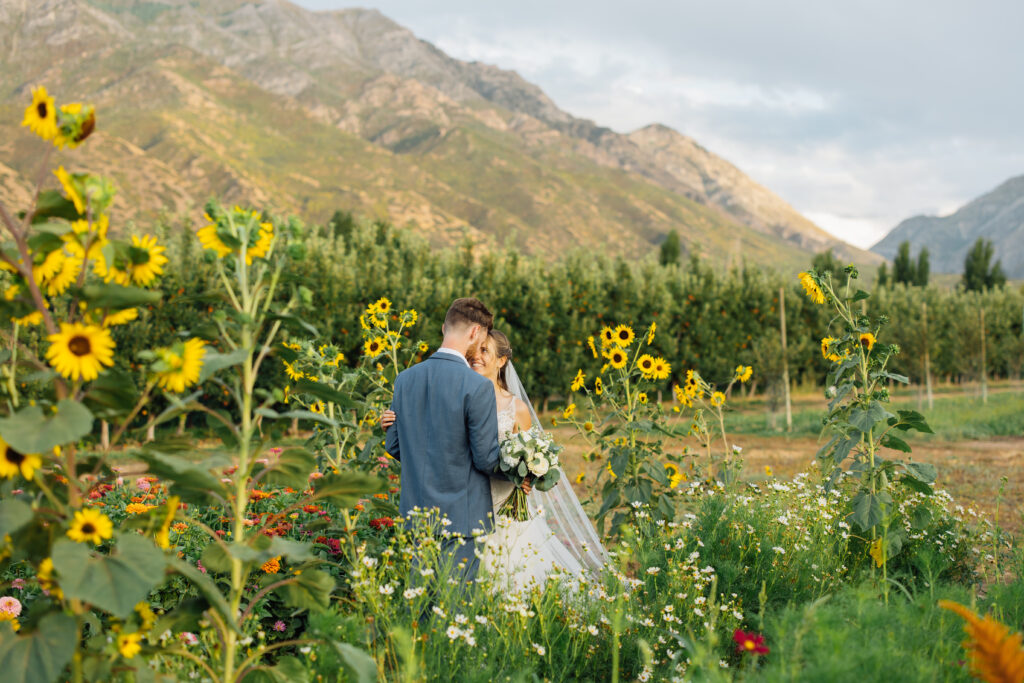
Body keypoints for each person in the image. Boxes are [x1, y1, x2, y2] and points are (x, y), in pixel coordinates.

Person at [384, 328, 609, 590]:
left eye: (484, 351)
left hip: (502, 507)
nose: (475, 356)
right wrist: (393, 424)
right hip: (461, 503)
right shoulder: (457, 396)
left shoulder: (516, 408)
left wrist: (527, 475)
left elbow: (532, 454)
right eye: (474, 350)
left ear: (501, 360)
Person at [384, 297, 511, 582]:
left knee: (421, 600)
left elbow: (394, 445)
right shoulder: (477, 386)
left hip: (418, 515)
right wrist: (521, 471)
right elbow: (485, 458)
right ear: (475, 332)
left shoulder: (404, 379)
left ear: (444, 328)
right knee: (456, 601)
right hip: (463, 519)